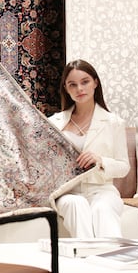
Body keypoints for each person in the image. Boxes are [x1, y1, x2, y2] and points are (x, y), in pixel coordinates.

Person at [48, 59, 130, 238]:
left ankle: (112, 253)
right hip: (67, 192)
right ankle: (86, 253)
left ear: (95, 83)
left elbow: (124, 167)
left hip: (102, 190)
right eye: (72, 84)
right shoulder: (53, 123)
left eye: (85, 82)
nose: (79, 89)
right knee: (76, 204)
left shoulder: (113, 122)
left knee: (102, 208)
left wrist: (100, 160)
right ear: (66, 88)